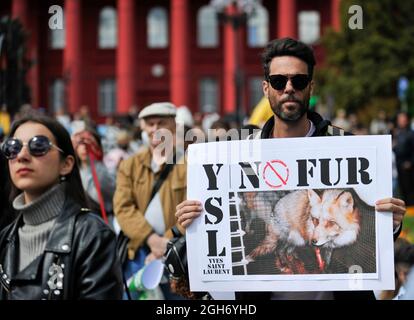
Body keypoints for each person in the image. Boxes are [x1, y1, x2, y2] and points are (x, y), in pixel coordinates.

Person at [175, 38, 406, 300]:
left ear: (310, 86)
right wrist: (193, 221)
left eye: (298, 81)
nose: (288, 88)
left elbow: (365, 225)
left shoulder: (348, 147)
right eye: (278, 81)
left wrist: (391, 223)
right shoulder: (237, 154)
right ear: (266, 88)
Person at [0, 114, 123, 299]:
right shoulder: (5, 239)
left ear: (66, 164)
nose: (22, 156)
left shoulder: (92, 236)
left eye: (38, 146)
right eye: (13, 147)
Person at [113, 102, 186, 299]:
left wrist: (166, 243)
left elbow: (194, 208)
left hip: (178, 252)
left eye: (161, 123)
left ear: (174, 126)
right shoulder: (129, 165)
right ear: (143, 128)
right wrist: (152, 240)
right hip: (138, 252)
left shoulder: (189, 163)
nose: (155, 129)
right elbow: (123, 207)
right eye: (150, 124)